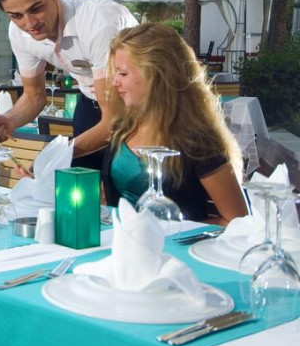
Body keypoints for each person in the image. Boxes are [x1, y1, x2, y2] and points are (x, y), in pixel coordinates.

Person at [0, 0, 138, 169]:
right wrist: (10, 119)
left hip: (139, 107)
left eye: (36, 9)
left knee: (125, 184)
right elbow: (34, 96)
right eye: (16, 16)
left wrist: (53, 157)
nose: (30, 24)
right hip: (90, 104)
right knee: (80, 183)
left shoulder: (99, 23)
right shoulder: (19, 33)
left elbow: (114, 120)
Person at [103, 23, 248, 224]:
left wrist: (173, 232)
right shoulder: (124, 128)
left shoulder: (196, 140)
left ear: (157, 74)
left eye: (123, 73)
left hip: (176, 242)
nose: (115, 82)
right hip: (121, 239)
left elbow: (238, 219)